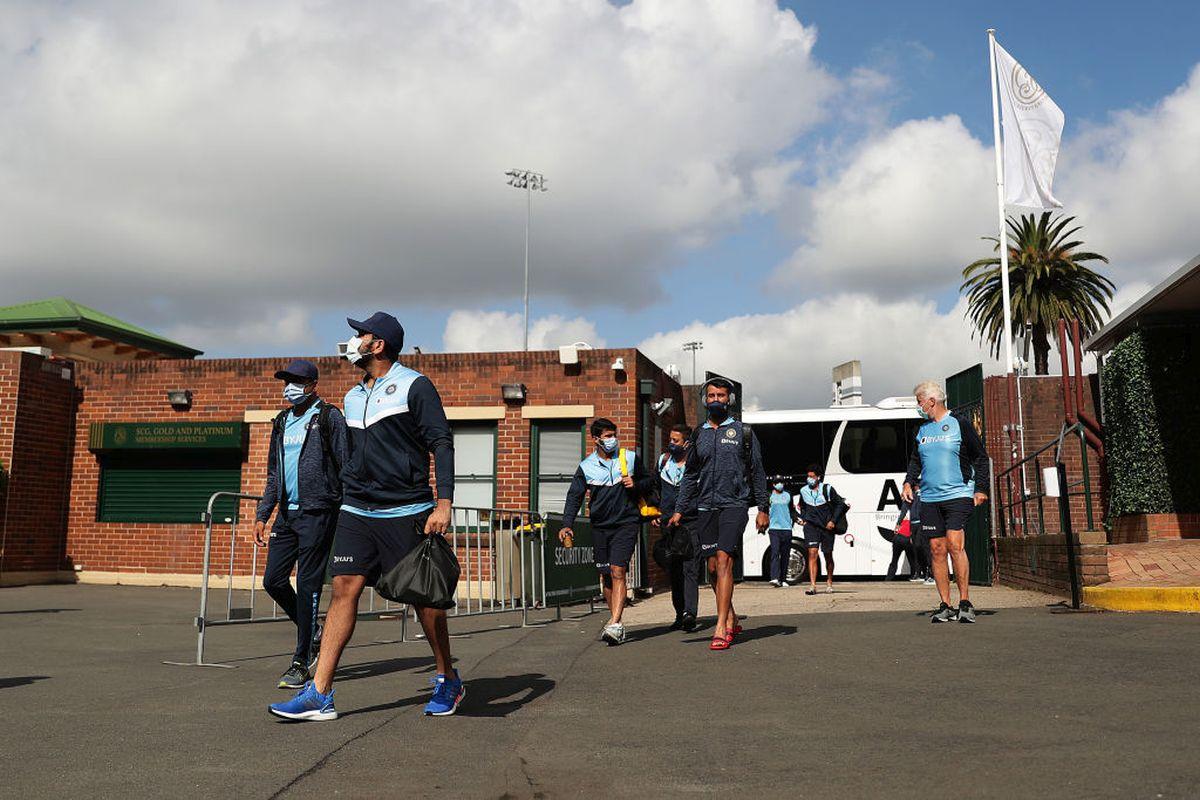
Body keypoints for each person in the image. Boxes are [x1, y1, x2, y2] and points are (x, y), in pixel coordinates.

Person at [269, 312, 459, 721]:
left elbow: (442, 443)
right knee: (343, 588)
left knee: (424, 601)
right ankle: (320, 692)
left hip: (406, 509)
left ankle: (447, 677)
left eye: (360, 335)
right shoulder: (354, 396)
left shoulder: (416, 386)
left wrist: (443, 502)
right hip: (357, 509)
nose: (352, 340)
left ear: (379, 344)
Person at [253, 359, 348, 689]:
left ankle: (301, 658)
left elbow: (345, 464)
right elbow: (273, 473)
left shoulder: (328, 417)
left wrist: (347, 510)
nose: (288, 387)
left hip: (318, 512)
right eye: (285, 381)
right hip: (287, 516)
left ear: (312, 385)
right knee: (273, 581)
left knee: (308, 586)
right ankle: (315, 631)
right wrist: (263, 514)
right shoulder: (281, 422)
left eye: (294, 381)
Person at [669, 378, 768, 651]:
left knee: (724, 561)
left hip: (734, 505)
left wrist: (763, 508)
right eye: (711, 395)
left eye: (721, 395)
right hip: (705, 507)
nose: (715, 399)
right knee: (711, 568)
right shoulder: (699, 434)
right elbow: (690, 475)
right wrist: (679, 509)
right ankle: (732, 615)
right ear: (704, 400)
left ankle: (721, 626)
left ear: (730, 400)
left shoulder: (743, 432)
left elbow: (758, 472)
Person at [559, 418, 656, 645]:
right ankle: (616, 623)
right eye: (607, 436)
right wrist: (567, 524)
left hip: (626, 522)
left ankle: (614, 621)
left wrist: (636, 483)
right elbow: (574, 497)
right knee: (606, 575)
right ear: (596, 439)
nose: (612, 439)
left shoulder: (629, 458)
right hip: (600, 525)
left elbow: (649, 482)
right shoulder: (586, 466)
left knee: (618, 569)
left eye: (614, 435)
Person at [902, 380, 989, 623]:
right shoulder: (921, 431)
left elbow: (980, 457)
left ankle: (965, 602)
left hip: (958, 493)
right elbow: (915, 461)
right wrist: (908, 482)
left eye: (920, 402)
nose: (918, 407)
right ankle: (945, 605)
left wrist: (981, 488)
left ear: (932, 401)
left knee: (954, 544)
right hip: (929, 497)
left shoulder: (959, 424)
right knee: (936, 549)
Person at [656, 424, 701, 631]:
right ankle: (678, 613)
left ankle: (690, 613)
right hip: (668, 525)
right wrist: (656, 511)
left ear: (686, 443)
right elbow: (656, 489)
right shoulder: (663, 461)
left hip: (691, 522)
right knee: (675, 571)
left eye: (676, 441)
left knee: (690, 569)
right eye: (670, 440)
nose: (671, 444)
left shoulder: (695, 465)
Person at [797, 464, 848, 595]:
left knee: (828, 555)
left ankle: (829, 582)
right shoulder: (803, 491)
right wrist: (804, 518)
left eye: (812, 477)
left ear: (818, 477)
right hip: (811, 527)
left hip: (827, 527)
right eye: (808, 476)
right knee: (812, 553)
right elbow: (801, 506)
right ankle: (813, 586)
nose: (810, 479)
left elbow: (840, 505)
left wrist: (833, 521)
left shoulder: (828, 489)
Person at [766, 480, 796, 587]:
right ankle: (774, 577)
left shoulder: (788, 495)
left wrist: (797, 519)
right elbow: (765, 511)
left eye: (782, 482)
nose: (780, 484)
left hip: (786, 528)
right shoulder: (769, 496)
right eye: (778, 482)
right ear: (773, 485)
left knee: (785, 554)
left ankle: (783, 579)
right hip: (774, 528)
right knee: (775, 552)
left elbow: (792, 510)